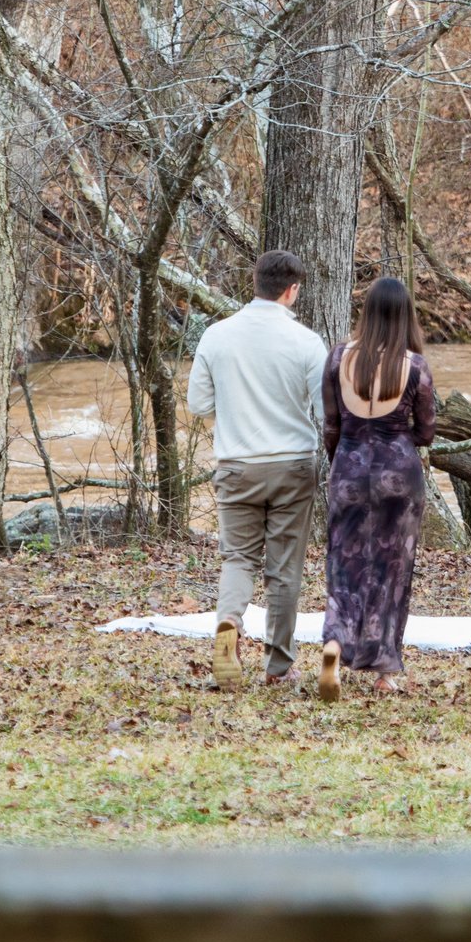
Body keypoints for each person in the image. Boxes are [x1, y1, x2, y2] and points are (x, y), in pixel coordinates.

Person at [187, 250, 329, 690]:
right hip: (291, 465)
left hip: (236, 463)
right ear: (292, 290)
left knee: (238, 558)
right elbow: (326, 413)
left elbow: (198, 404)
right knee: (284, 567)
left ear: (255, 283)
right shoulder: (307, 342)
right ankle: (278, 666)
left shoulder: (217, 335)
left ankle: (229, 621)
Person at [317, 275, 436, 701]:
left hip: (349, 469)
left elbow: (331, 426)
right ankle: (384, 671)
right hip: (399, 476)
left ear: (365, 312)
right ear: (406, 315)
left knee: (344, 567)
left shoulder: (337, 359)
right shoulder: (415, 367)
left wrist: (344, 461)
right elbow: (426, 432)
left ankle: (334, 644)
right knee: (392, 571)